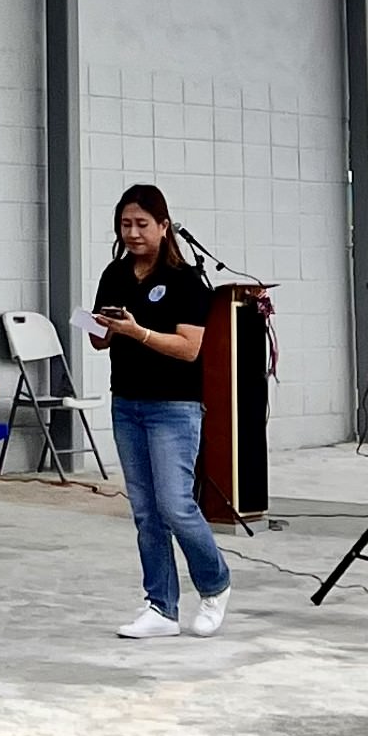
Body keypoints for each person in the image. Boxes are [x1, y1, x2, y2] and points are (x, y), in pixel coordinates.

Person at [88, 181, 231, 641]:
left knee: (176, 504)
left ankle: (215, 583)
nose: (133, 233)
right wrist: (101, 329)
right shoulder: (115, 273)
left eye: (142, 224)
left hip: (173, 406)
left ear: (164, 226)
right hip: (126, 402)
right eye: (125, 225)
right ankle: (161, 605)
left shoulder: (185, 282)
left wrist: (137, 332)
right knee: (146, 511)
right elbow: (97, 336)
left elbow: (189, 349)